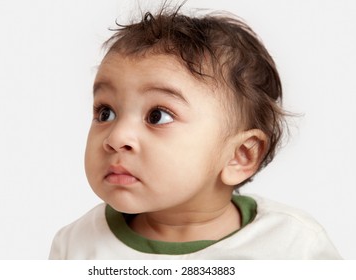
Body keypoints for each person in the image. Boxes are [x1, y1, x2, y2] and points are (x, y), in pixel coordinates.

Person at [49, 3, 341, 259]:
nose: (116, 138)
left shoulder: (293, 248)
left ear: (239, 155)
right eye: (105, 113)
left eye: (157, 116)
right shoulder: (78, 246)